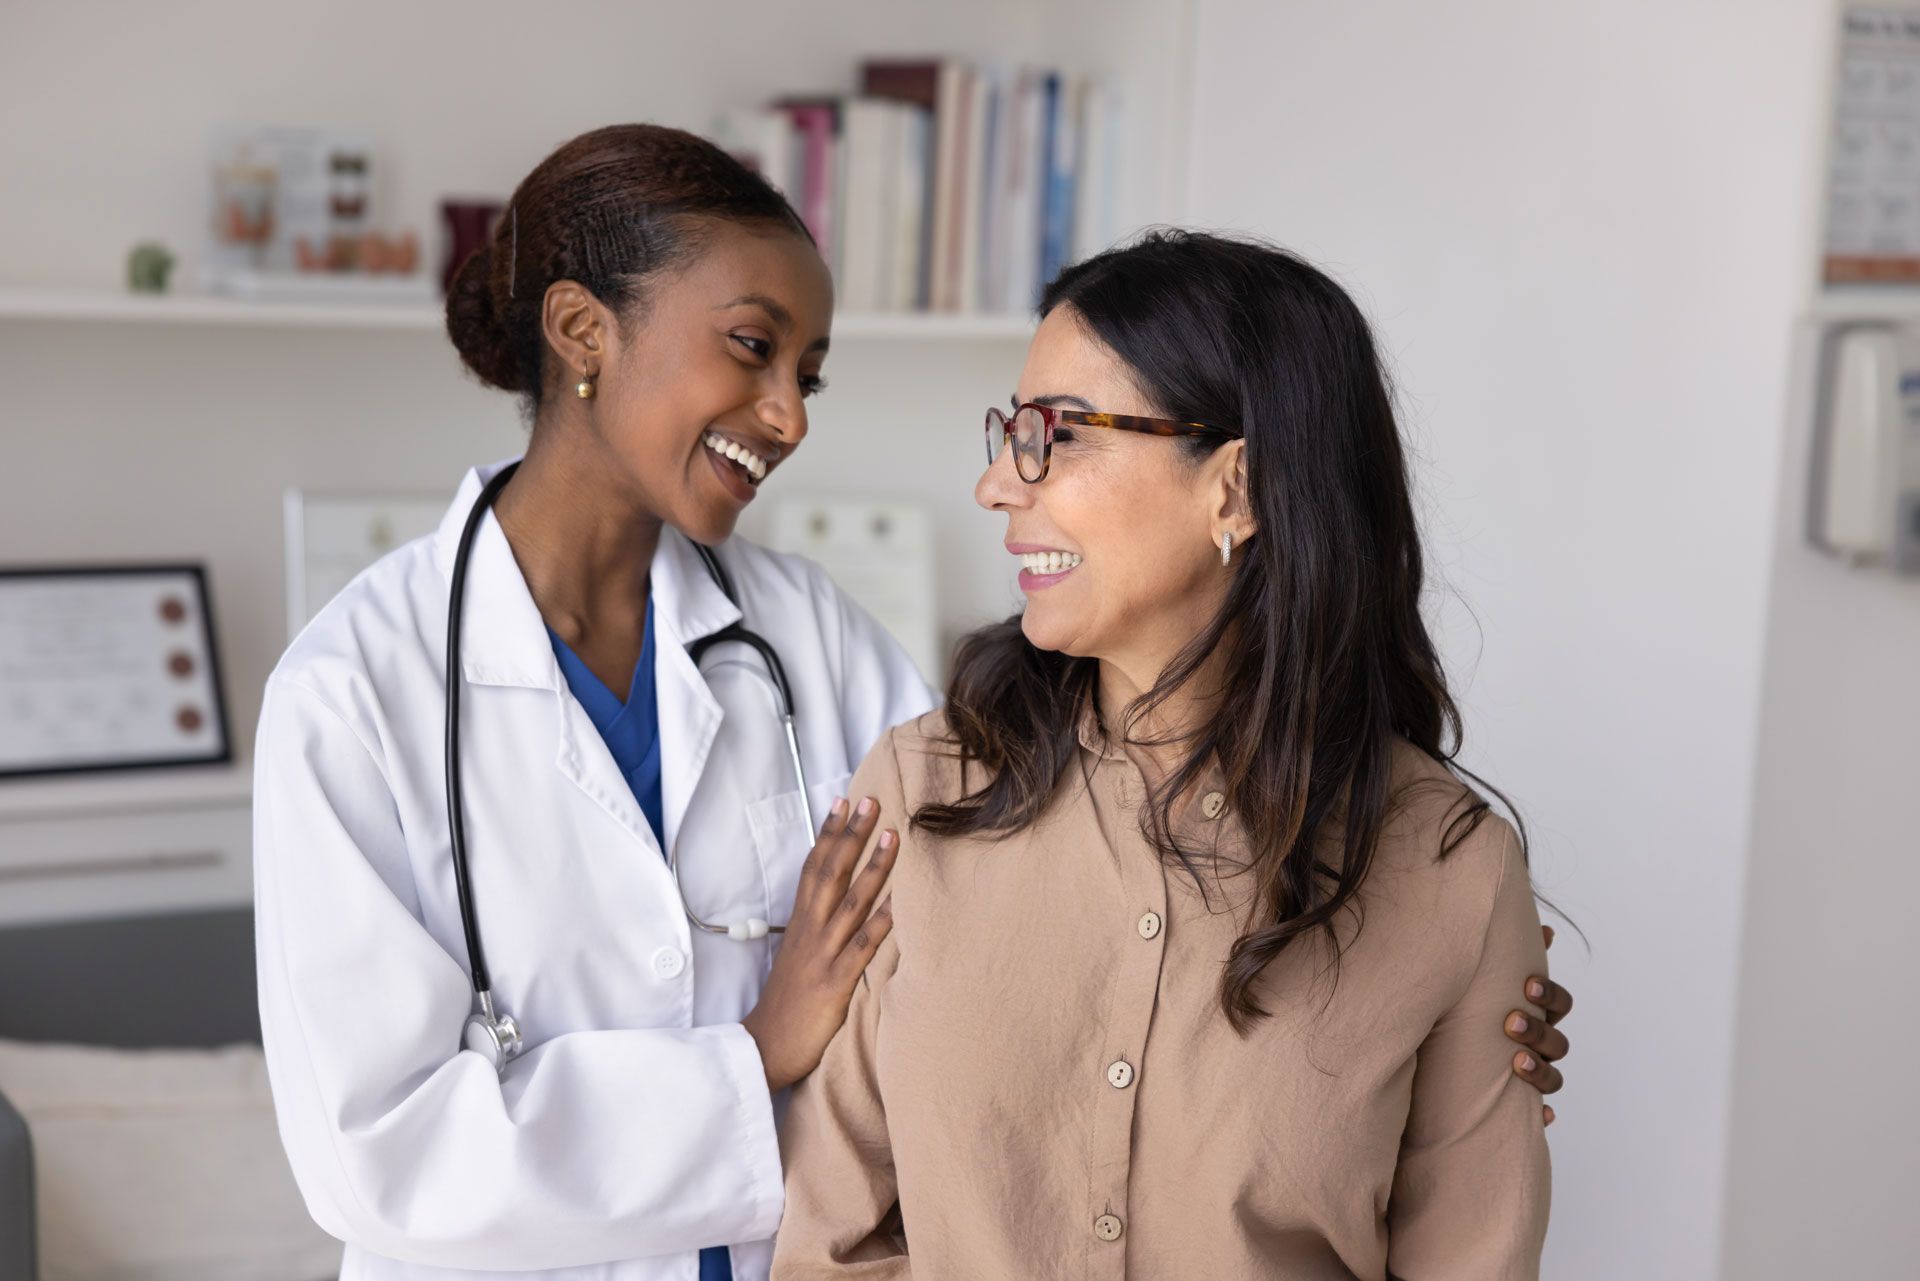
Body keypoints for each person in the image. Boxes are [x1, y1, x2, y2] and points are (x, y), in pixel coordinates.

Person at [252, 125, 1573, 1281]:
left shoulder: (808, 642)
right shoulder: (354, 695)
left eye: (807, 374)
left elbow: (1047, 885)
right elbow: (375, 1149)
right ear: (583, 333)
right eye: (752, 349)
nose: (787, 415)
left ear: (1236, 487)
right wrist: (757, 1051)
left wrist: (1420, 988)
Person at [775, 231, 1561, 1279]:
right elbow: (831, 1243)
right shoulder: (926, 791)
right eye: (1011, 431)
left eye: (1054, 434)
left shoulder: (1450, 869)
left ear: (1234, 488)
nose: (998, 485)